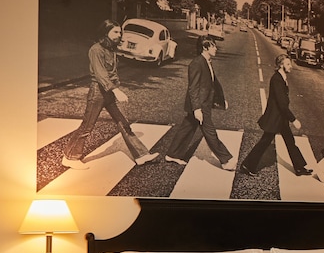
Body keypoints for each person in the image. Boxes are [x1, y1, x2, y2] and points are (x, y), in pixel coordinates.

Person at [62, 20, 158, 169]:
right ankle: (70, 157)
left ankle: (141, 155)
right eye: (115, 32)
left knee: (124, 123)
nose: (119, 35)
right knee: (87, 126)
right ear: (105, 32)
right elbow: (100, 74)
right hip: (98, 92)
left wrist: (114, 88)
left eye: (120, 32)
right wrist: (116, 90)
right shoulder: (96, 50)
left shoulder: (111, 49)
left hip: (109, 92)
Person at [165, 37, 235, 170]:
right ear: (205, 48)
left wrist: (221, 100)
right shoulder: (197, 63)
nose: (216, 48)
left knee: (187, 127)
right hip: (200, 104)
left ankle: (172, 154)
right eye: (213, 46)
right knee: (210, 132)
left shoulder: (207, 61)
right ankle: (225, 160)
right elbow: (193, 87)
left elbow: (213, 83)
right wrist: (196, 109)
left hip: (204, 102)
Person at [239, 53, 307, 176]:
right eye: (287, 64)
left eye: (290, 64)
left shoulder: (282, 78)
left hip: (280, 118)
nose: (290, 66)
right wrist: (293, 119)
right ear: (281, 65)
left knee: (290, 141)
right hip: (275, 118)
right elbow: (282, 104)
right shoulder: (277, 79)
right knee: (265, 142)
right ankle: (247, 165)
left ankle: (299, 167)